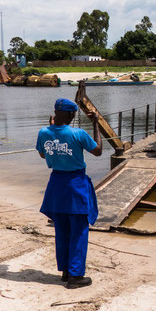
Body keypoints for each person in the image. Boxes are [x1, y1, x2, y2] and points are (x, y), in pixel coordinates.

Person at [37, 98, 103, 289]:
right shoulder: (78, 133)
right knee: (79, 231)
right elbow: (98, 151)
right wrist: (96, 124)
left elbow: (43, 154)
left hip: (56, 186)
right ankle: (75, 276)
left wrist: (52, 133)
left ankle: (66, 271)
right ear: (71, 114)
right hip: (75, 185)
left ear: (55, 113)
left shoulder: (43, 132)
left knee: (62, 230)